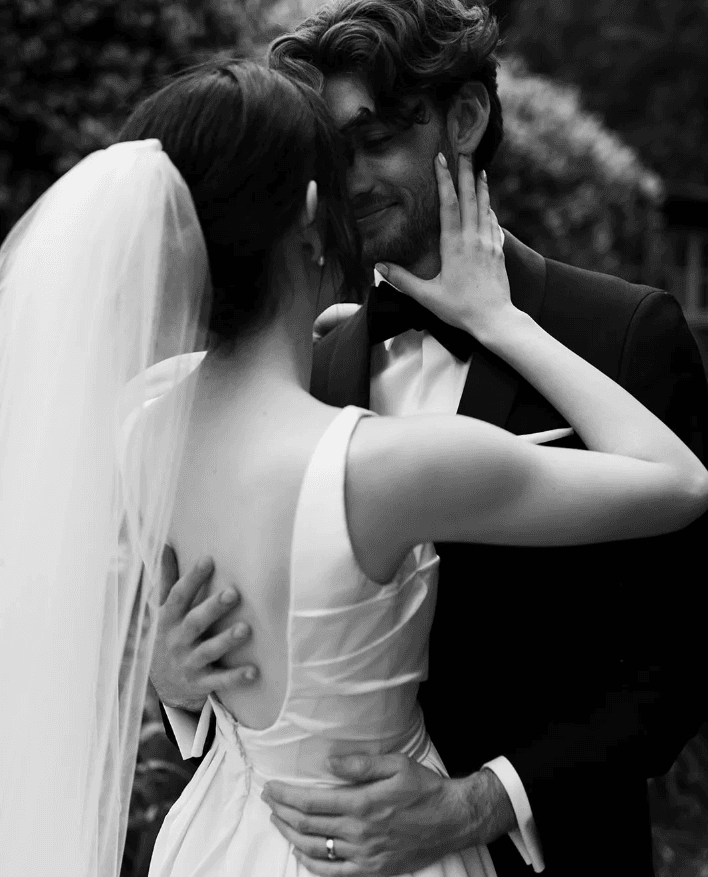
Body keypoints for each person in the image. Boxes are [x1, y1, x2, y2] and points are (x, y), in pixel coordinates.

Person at [151, 3, 708, 876]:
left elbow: (683, 648)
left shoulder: (624, 333)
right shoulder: (313, 360)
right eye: (329, 158)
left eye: (373, 141)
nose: (350, 181)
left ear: (467, 118)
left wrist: (482, 799)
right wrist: (179, 682)